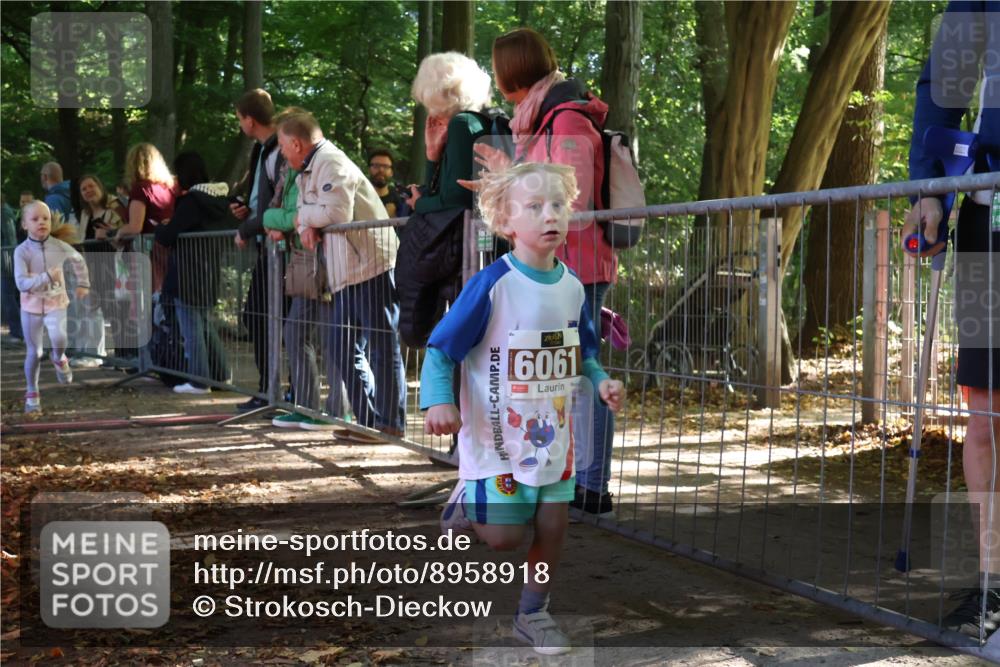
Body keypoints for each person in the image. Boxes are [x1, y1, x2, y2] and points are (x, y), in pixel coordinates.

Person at [422, 162, 624, 654]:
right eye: (534, 207)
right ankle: (466, 500)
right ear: (507, 222)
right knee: (505, 538)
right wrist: (438, 400)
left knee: (554, 524)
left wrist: (600, 382)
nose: (549, 214)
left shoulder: (574, 287)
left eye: (558, 204)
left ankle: (533, 613)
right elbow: (440, 348)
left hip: (553, 438)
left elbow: (586, 350)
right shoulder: (493, 284)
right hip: (495, 440)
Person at [486, 27, 616, 517]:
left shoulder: (565, 119)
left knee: (583, 374)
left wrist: (513, 177)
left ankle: (592, 486)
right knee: (555, 378)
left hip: (576, 268)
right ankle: (562, 476)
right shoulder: (541, 119)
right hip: (554, 267)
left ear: (509, 72)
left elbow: (569, 196)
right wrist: (506, 176)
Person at [904, 1, 1000, 638]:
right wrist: (930, 191)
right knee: (987, 416)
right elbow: (942, 96)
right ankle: (995, 585)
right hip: (990, 220)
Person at [277, 107, 406, 435]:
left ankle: (390, 424)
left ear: (295, 144)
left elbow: (335, 213)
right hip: (347, 270)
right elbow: (310, 213)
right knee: (341, 346)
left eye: (281, 146)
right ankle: (367, 422)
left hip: (371, 264)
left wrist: (305, 219)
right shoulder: (311, 168)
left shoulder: (331, 162)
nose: (280, 153)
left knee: (381, 343)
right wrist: (307, 219)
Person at [263, 150, 343, 430]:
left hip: (324, 261)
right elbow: (282, 216)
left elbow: (293, 215)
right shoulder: (292, 171)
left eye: (285, 144)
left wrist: (280, 220)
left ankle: (336, 410)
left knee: (330, 336)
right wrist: (279, 220)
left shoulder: (317, 167)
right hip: (302, 262)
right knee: (296, 332)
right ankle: (307, 407)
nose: (282, 150)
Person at [154, 152, 232, 395]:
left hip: (186, 273)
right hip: (209, 272)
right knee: (204, 325)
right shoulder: (220, 201)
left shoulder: (192, 202)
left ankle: (200, 381)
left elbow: (168, 237)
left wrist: (161, 228)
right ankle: (221, 374)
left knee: (192, 329)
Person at [231, 88, 287, 412]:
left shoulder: (279, 147)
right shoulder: (261, 149)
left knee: (271, 319)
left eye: (240, 119)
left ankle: (279, 392)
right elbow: (257, 193)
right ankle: (270, 389)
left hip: (280, 246)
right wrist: (242, 209)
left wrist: (247, 227)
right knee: (258, 316)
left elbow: (273, 202)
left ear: (249, 120)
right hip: (266, 243)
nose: (240, 124)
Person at [14, 201, 90, 413]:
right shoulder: (21, 252)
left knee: (59, 337)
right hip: (30, 306)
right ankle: (32, 392)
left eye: (45, 219)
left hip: (56, 301)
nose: (41, 223)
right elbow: (21, 283)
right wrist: (46, 277)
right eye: (35, 219)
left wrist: (83, 283)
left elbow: (78, 260)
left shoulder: (58, 246)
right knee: (35, 352)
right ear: (24, 225)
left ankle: (59, 357)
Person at [406, 52, 493, 214]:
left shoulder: (462, 124)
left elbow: (456, 200)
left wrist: (419, 204)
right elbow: (442, 194)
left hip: (466, 236)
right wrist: (433, 154)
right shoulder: (475, 121)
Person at [73, 175, 127, 367]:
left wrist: (110, 234)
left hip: (113, 266)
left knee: (115, 311)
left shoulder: (114, 208)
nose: (88, 191)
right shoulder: (85, 214)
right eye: (83, 189)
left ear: (100, 186)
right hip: (92, 267)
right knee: (92, 310)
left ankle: (122, 357)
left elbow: (125, 236)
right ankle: (95, 354)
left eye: (91, 186)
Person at [367, 149, 411, 219]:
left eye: (385, 166)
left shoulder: (400, 199)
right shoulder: (360, 195)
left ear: (391, 172)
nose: (381, 170)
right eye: (376, 165)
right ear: (369, 169)